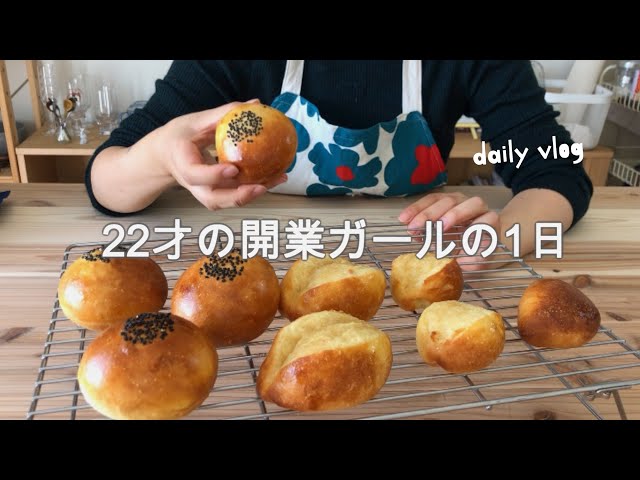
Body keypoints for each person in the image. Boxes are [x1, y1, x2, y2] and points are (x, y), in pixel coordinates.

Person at [86, 60, 592, 268]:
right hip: (258, 264)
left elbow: (557, 170)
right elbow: (106, 181)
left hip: (413, 267)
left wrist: (498, 238)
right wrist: (159, 156)